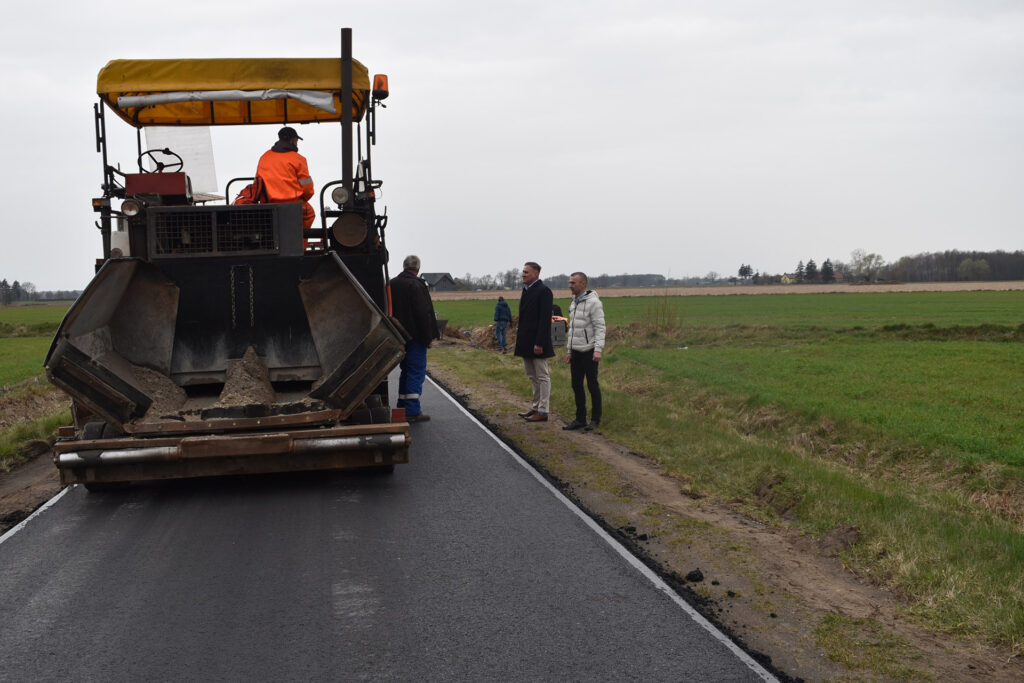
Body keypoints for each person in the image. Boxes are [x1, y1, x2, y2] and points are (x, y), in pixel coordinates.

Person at [389, 255, 440, 422]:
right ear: (417, 268)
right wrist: (428, 337)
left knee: (406, 371)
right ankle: (412, 410)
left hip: (397, 335)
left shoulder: (392, 284)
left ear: (404, 266)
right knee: (416, 372)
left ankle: (402, 405)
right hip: (416, 337)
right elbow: (423, 313)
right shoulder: (417, 285)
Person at [563, 271, 605, 432]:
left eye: (573, 283)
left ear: (583, 284)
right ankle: (580, 418)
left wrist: (598, 350)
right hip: (575, 351)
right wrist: (569, 350)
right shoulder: (574, 302)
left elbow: (600, 327)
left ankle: (595, 419)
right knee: (576, 385)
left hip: (589, 350)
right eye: (570, 282)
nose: (570, 285)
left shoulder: (594, 303)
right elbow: (572, 329)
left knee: (592, 385)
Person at [514, 261, 554, 422]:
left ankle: (543, 411)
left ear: (536, 274)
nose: (523, 274)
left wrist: (540, 343)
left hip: (537, 342)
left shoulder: (544, 291)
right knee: (532, 375)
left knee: (542, 376)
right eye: (523, 272)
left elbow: (544, 320)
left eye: (526, 272)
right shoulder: (526, 290)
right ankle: (536, 406)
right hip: (526, 341)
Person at [256, 126, 316, 230]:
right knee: (309, 215)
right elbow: (307, 187)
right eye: (297, 140)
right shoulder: (298, 159)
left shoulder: (264, 157)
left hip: (269, 204)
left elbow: (257, 183)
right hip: (294, 204)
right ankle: (299, 244)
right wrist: (303, 199)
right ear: (293, 140)